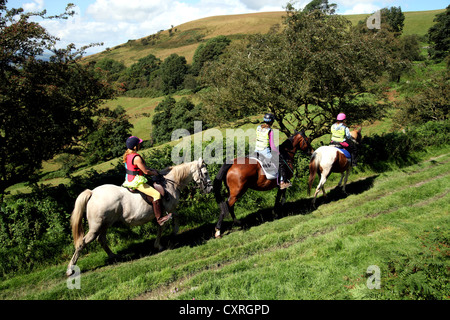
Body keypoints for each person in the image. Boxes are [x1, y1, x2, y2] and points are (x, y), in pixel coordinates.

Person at [122, 136, 172, 226]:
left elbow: (141, 167)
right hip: (136, 181)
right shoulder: (136, 157)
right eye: (138, 144)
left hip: (129, 179)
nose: (140, 145)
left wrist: (152, 169)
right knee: (156, 194)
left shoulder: (128, 155)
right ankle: (160, 219)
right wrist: (154, 173)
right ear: (134, 147)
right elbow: (145, 171)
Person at [254, 113, 291, 189]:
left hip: (256, 150)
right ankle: (282, 182)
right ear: (271, 122)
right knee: (280, 163)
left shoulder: (258, 127)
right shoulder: (270, 131)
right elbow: (272, 145)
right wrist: (278, 153)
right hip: (264, 151)